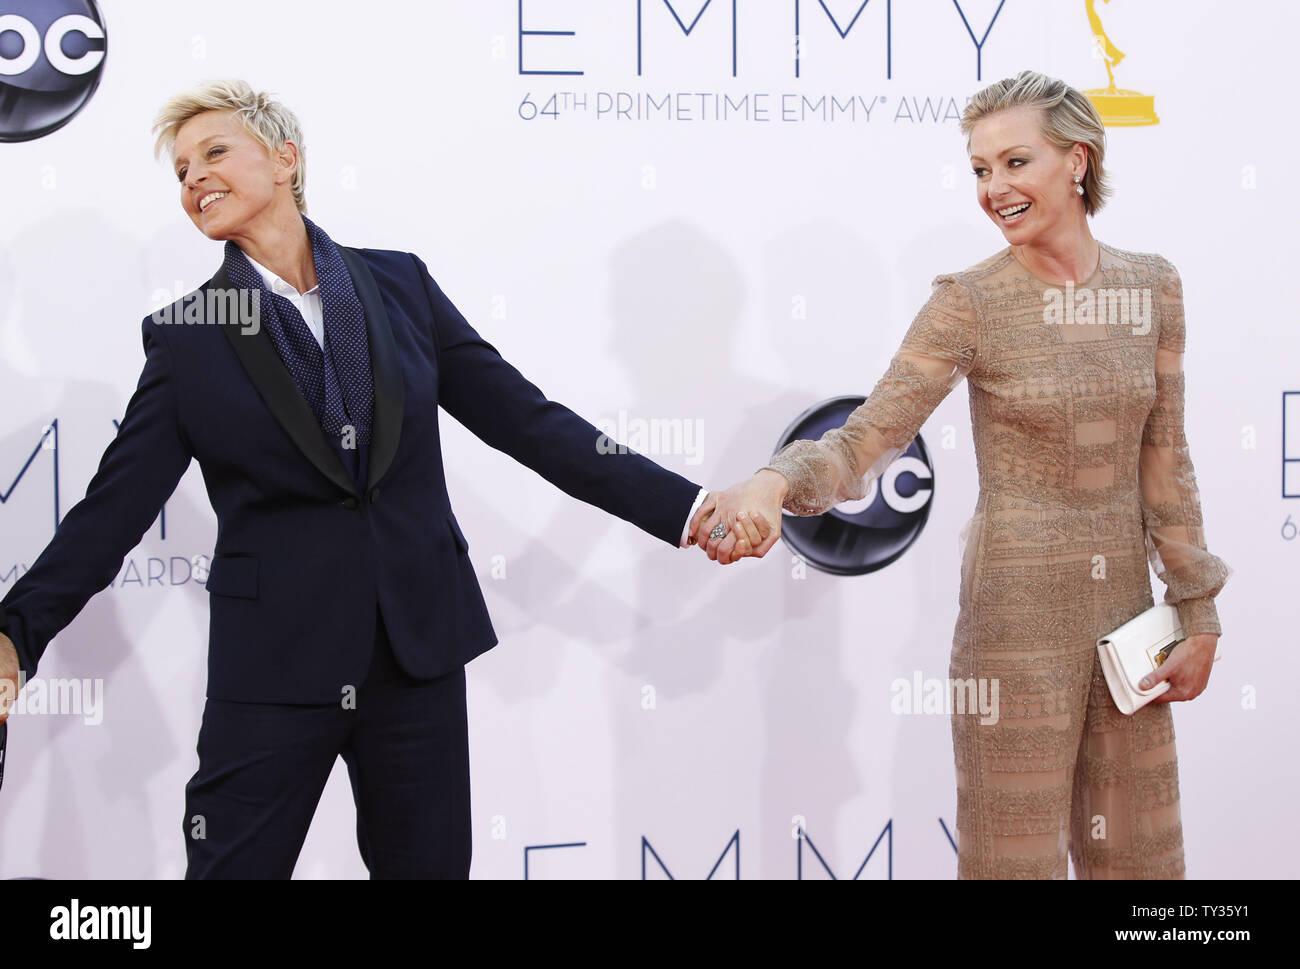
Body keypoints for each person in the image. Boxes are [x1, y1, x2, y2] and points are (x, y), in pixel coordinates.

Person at [0, 79, 767, 878]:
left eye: (214, 153)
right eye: (181, 171)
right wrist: (18, 632)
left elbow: (530, 423)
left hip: (417, 653)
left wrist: (691, 508)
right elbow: (112, 510)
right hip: (274, 668)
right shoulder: (186, 338)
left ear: (285, 159)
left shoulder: (400, 286)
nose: (194, 179)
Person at [694, 70, 1231, 879]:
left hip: (1130, 632)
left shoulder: (1153, 286)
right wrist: (775, 481)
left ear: (1077, 161)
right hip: (1014, 631)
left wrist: (1198, 606)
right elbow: (865, 439)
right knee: (1012, 866)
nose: (994, 188)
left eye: (1015, 163)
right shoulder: (970, 303)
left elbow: (1166, 460)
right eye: (981, 169)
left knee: (1144, 871)